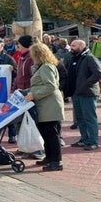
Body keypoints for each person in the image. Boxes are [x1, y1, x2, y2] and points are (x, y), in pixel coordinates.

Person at [24, 43, 64, 171]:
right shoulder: (42, 67)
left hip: (49, 105)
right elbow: (40, 85)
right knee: (46, 133)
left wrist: (34, 94)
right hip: (45, 104)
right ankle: (50, 157)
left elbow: (51, 86)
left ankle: (57, 161)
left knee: (52, 134)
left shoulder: (46, 67)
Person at [66, 39, 101, 151]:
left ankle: (93, 141)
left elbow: (98, 73)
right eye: (71, 45)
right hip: (76, 93)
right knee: (80, 118)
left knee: (89, 118)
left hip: (87, 93)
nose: (71, 47)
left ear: (81, 46)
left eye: (73, 45)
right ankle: (84, 139)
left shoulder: (89, 58)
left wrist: (85, 84)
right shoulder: (74, 58)